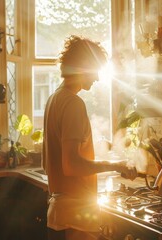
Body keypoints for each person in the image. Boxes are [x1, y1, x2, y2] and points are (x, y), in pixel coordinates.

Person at [42, 35, 138, 240]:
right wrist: (116, 165)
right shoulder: (73, 103)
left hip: (60, 213)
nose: (97, 78)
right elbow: (72, 166)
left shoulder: (54, 99)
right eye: (96, 70)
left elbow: (49, 163)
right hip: (75, 216)